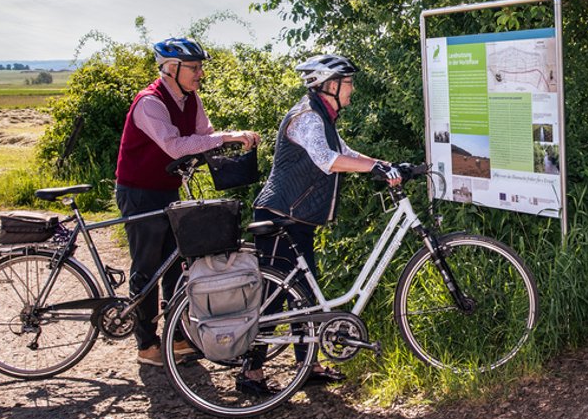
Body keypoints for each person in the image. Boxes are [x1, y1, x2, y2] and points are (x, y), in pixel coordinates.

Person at [241, 54, 401, 395]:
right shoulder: (307, 119)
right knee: (272, 297)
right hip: (278, 216)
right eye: (348, 83)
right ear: (329, 85)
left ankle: (308, 365)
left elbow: (347, 152)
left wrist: (386, 164)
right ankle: (250, 373)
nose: (352, 89)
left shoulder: (322, 117)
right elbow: (328, 160)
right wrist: (374, 169)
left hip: (296, 218)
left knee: (305, 295)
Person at [115, 37, 261, 366]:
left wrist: (234, 143)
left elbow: (203, 134)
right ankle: (146, 344)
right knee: (147, 265)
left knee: (176, 264)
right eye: (193, 68)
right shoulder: (149, 102)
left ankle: (177, 337)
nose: (200, 74)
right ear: (171, 68)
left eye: (200, 68)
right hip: (139, 191)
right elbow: (176, 146)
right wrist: (225, 137)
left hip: (167, 189)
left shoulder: (191, 98)